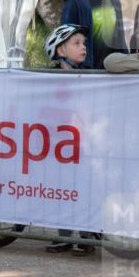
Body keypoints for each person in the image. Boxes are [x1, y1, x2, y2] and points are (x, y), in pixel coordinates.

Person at [41, 24, 96, 255]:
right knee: (61, 189)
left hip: (83, 146)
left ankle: (87, 236)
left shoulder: (92, 77)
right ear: (61, 51)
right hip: (59, 147)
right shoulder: (49, 81)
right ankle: (63, 235)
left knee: (84, 189)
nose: (83, 47)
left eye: (84, 43)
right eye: (76, 44)